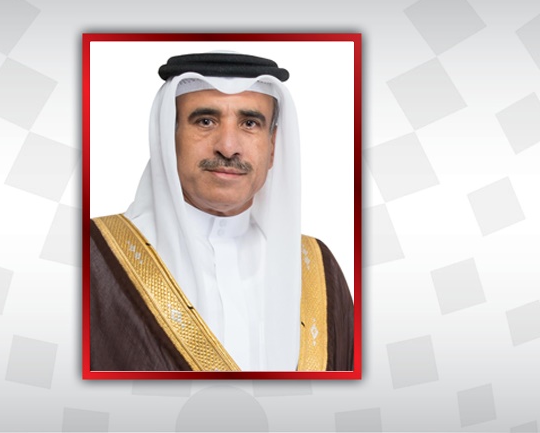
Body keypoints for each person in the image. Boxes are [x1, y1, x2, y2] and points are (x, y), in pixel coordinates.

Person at [88, 52, 353, 371]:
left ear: (272, 147)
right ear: (168, 138)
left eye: (250, 123)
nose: (228, 147)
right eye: (205, 121)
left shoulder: (316, 268)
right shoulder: (93, 255)